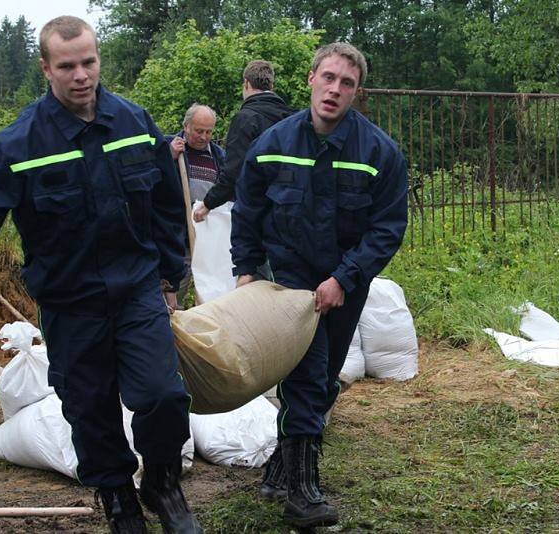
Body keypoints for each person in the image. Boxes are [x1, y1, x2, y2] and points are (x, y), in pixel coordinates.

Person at [0, 16, 201, 534]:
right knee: (90, 411)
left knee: (163, 396)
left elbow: (163, 200)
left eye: (88, 62)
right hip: (70, 304)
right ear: (46, 68)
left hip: (136, 291)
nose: (81, 75)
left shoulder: (134, 124)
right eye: (67, 66)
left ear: (98, 60)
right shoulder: (18, 146)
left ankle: (161, 482)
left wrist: (170, 275)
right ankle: (118, 500)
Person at [231, 42, 408, 528]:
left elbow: (387, 228)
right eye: (327, 78)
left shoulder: (378, 152)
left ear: (357, 91)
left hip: (343, 283)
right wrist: (248, 270)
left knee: (325, 376)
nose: (334, 90)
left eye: (346, 83)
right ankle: (303, 493)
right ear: (310, 79)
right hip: (288, 285)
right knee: (306, 377)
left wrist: (344, 279)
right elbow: (248, 211)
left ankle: (283, 462)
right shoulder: (273, 144)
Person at [193, 60, 295, 223]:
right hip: (290, 209)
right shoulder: (292, 119)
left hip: (256, 212)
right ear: (272, 86)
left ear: (246, 83)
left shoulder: (245, 120)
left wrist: (207, 204)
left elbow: (233, 171)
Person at [166, 104, 225, 305]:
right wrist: (169, 156)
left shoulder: (218, 156)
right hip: (178, 239)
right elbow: (152, 179)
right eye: (199, 131)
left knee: (210, 296)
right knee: (174, 294)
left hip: (208, 238)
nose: (204, 137)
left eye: (209, 131)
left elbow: (226, 190)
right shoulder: (169, 147)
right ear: (186, 126)